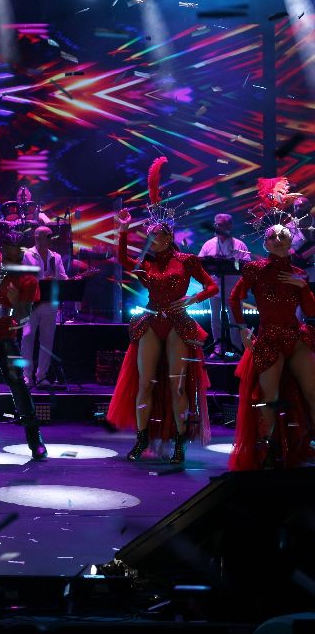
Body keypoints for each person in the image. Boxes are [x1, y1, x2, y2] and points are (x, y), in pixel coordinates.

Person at [107, 157, 217, 464]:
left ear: (168, 236)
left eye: (156, 235)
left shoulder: (186, 260)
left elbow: (212, 286)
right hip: (151, 320)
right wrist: (123, 231)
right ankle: (141, 439)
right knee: (144, 383)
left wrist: (192, 300)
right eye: (149, 236)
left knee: (176, 385)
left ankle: (180, 442)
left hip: (178, 322)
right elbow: (123, 261)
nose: (152, 240)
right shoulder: (147, 263)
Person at [229, 180, 315, 470]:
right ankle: (268, 449)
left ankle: (308, 443)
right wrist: (242, 329)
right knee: (270, 396)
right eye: (273, 237)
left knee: (312, 391)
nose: (278, 240)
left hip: (296, 336)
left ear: (291, 242)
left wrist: (303, 287)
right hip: (268, 338)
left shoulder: (299, 273)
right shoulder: (256, 269)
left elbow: (310, 311)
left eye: (283, 236)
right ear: (265, 243)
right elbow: (235, 298)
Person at [0, 232, 49, 460]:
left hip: (5, 337)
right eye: (7, 254)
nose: (11, 259)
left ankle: (35, 440)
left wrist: (17, 302)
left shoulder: (27, 279)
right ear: (1, 249)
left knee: (18, 385)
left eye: (16, 255)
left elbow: (24, 319)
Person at [197, 213, 252, 358]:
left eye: (222, 225)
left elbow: (247, 265)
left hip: (234, 290)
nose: (218, 227)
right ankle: (218, 348)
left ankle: (236, 349)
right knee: (215, 319)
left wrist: (234, 264)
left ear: (230, 226)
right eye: (217, 224)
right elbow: (200, 265)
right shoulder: (208, 244)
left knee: (235, 320)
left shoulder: (239, 245)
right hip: (214, 288)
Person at [21, 225, 68, 387]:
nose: (51, 239)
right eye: (48, 236)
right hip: (30, 303)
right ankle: (26, 376)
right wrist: (41, 280)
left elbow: (62, 278)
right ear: (37, 237)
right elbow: (21, 278)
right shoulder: (26, 255)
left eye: (51, 236)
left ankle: (41, 376)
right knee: (27, 337)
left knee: (47, 340)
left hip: (49, 303)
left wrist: (73, 281)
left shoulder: (55, 257)